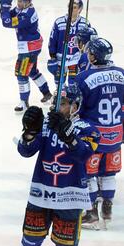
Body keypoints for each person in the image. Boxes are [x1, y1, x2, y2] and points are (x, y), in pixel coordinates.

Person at [16, 85, 100, 246]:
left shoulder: (88, 128)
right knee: (30, 241)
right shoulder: (45, 124)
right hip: (40, 195)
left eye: (62, 103)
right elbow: (25, 151)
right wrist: (30, 132)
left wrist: (69, 136)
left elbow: (83, 154)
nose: (56, 106)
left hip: (70, 200)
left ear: (75, 106)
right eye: (55, 102)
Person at [75, 38, 124, 230]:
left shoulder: (83, 78)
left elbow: (75, 108)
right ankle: (108, 211)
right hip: (116, 134)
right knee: (109, 172)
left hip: (93, 136)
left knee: (89, 174)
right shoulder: (122, 74)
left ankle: (92, 214)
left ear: (94, 56)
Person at [0, 0, 52, 112]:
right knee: (32, 71)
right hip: (32, 46)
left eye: (21, 1)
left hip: (29, 48)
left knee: (21, 74)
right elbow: (10, 14)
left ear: (28, 2)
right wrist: (6, 8)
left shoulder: (27, 15)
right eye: (18, 0)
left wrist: (5, 7)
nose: (18, 3)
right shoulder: (23, 9)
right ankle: (47, 93)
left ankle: (24, 102)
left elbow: (7, 22)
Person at [47, 0, 90, 89]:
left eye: (74, 8)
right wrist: (52, 55)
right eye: (70, 7)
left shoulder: (85, 23)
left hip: (76, 58)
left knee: (73, 83)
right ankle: (61, 98)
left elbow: (89, 42)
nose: (71, 9)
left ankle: (73, 99)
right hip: (61, 57)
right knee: (59, 82)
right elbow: (52, 39)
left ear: (80, 9)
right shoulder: (59, 22)